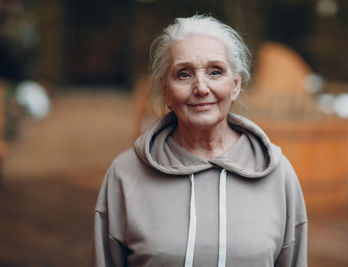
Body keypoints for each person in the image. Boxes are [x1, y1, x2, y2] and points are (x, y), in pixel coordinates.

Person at [91, 15, 308, 267]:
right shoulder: (125, 174)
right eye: (184, 74)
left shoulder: (279, 175)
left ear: (235, 85)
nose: (201, 88)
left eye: (215, 72)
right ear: (165, 90)